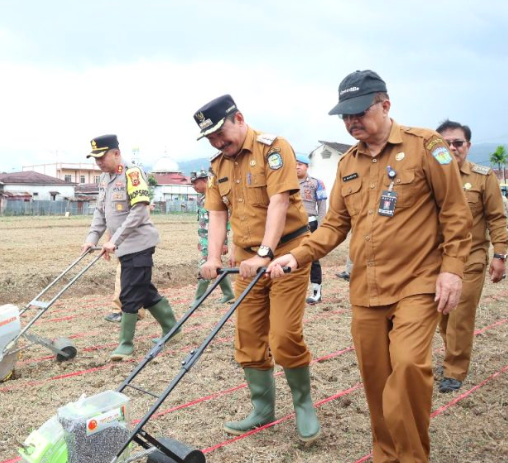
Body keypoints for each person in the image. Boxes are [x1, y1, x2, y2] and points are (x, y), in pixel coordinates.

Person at [267, 70, 471, 463]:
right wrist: (296, 256)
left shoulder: (426, 146)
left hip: (418, 282)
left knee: (409, 367)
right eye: (345, 116)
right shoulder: (347, 163)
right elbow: (334, 226)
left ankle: (411, 458)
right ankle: (386, 455)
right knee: (376, 382)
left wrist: (453, 269)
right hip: (366, 289)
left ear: (385, 105)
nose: (351, 121)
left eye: (359, 112)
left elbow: (455, 212)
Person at [195, 95, 321, 442]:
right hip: (247, 261)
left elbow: (280, 201)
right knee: (248, 337)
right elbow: (218, 212)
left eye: (222, 134)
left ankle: (303, 405)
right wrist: (214, 256)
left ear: (239, 118)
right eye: (211, 139)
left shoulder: (274, 148)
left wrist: (265, 253)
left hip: (286, 254)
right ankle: (262, 409)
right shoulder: (218, 164)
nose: (219, 143)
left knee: (283, 336)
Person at [81, 135, 179, 361]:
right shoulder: (105, 180)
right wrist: (91, 238)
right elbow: (100, 213)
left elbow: (139, 212)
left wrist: (115, 239)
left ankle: (125, 344)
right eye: (95, 159)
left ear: (116, 153)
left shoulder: (133, 175)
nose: (98, 163)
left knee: (129, 294)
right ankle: (173, 329)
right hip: (123, 247)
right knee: (144, 290)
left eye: (101, 157)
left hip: (139, 244)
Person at [435, 120, 508, 393]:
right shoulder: (429, 175)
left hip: (470, 259)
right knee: (443, 317)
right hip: (434, 261)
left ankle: (454, 370)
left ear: (468, 146)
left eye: (458, 143)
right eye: (446, 143)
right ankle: (451, 355)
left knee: (459, 316)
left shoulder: (483, 176)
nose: (452, 148)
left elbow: (496, 218)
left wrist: (499, 255)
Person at [191, 169, 235, 306]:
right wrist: (200, 240)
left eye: (195, 183)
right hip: (205, 239)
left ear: (205, 181)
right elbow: (203, 222)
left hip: (216, 241)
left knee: (205, 266)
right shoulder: (201, 198)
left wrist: (224, 243)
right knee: (216, 266)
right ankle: (228, 294)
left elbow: (223, 221)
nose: (193, 186)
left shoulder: (216, 196)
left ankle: (198, 299)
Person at [296, 154, 328, 304]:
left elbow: (322, 207)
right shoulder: (286, 182)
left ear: (306, 166)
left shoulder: (317, 183)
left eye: (300, 164)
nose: (296, 167)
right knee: (292, 257)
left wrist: (321, 226)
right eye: (294, 164)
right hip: (291, 226)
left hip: (311, 224)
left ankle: (316, 292)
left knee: (312, 258)